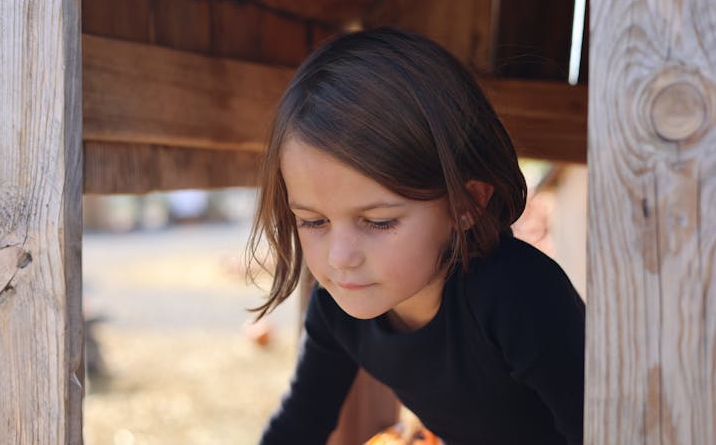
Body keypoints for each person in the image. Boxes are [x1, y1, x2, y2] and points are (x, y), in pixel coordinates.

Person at [247, 28, 585, 445]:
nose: (340, 257)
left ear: (466, 203)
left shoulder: (520, 296)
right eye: (313, 222)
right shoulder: (335, 313)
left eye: (378, 222)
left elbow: (602, 430)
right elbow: (300, 424)